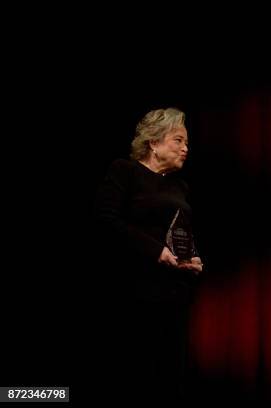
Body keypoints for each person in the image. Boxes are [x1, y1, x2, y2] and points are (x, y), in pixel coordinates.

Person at [94, 107, 203, 402]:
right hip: (133, 291)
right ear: (153, 143)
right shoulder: (124, 171)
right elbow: (106, 221)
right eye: (178, 140)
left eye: (187, 143)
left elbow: (179, 230)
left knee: (170, 378)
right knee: (135, 374)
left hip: (173, 293)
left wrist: (192, 257)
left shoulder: (180, 186)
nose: (185, 148)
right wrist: (156, 252)